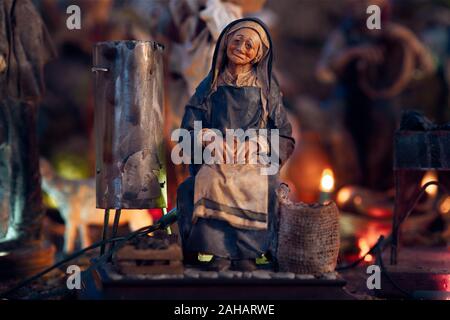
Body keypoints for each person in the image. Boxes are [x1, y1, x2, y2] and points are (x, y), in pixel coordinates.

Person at [176, 18, 295, 271]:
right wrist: (208, 138)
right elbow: (190, 124)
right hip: (217, 156)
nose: (240, 47)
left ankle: (248, 253)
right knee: (209, 179)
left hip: (253, 157)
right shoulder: (211, 85)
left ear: (258, 55)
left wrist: (259, 144)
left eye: (249, 45)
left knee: (258, 183)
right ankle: (215, 250)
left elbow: (283, 133)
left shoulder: (266, 88)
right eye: (237, 40)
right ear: (226, 42)